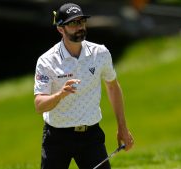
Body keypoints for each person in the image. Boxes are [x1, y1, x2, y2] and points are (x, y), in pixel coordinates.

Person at [34, 2, 134, 169]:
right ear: (61, 29)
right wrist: (60, 95)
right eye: (73, 23)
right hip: (57, 137)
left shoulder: (100, 53)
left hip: (91, 136)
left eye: (81, 21)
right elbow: (39, 105)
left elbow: (112, 87)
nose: (79, 26)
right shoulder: (46, 61)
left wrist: (122, 127)